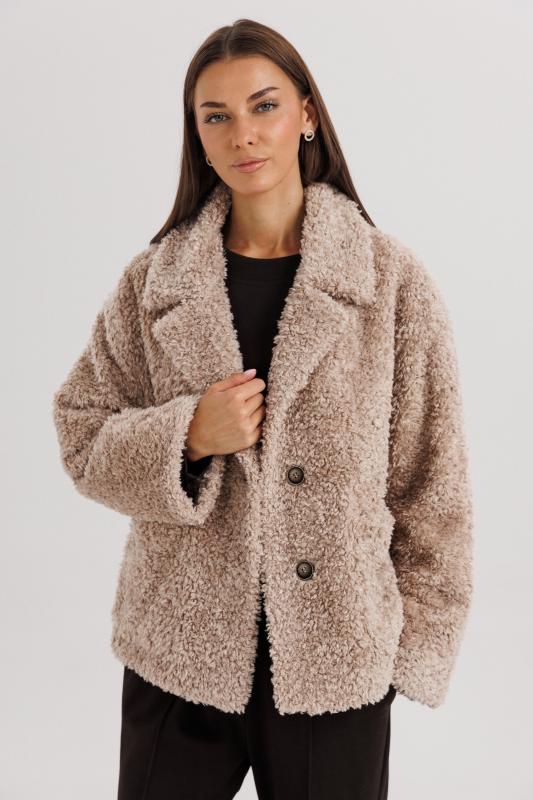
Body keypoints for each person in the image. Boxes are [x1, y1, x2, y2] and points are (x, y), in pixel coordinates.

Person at [52, 18, 474, 800]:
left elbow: (433, 486)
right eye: (216, 116)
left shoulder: (389, 284)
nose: (242, 133)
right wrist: (185, 437)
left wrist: (407, 650)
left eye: (263, 106)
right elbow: (81, 433)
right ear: (198, 137)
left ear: (306, 114)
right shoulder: (155, 284)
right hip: (178, 656)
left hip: (335, 663)